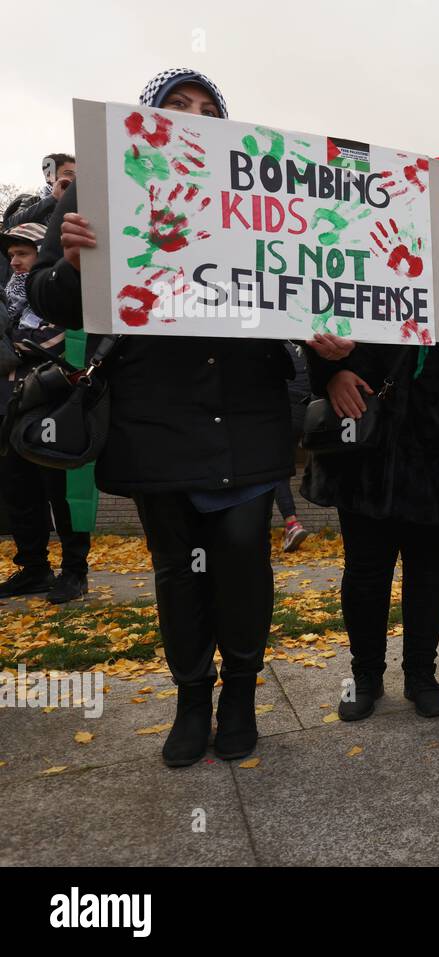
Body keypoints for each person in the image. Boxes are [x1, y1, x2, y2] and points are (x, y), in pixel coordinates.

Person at [26, 67, 294, 768]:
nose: (195, 115)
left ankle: (239, 695)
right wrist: (80, 262)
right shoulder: (103, 184)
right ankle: (190, 697)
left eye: (209, 108)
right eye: (179, 105)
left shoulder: (256, 192)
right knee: (177, 566)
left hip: (247, 408)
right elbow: (48, 292)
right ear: (149, 117)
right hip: (158, 414)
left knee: (243, 556)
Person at [302, 155, 439, 724]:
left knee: (429, 564)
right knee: (365, 567)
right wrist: (331, 373)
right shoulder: (365, 248)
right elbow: (323, 323)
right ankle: (365, 676)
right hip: (370, 429)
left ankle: (421, 674)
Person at [0, 222, 92, 603]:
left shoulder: (64, 295)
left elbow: (55, 341)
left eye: (23, 254)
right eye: (11, 257)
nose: (16, 263)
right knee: (19, 489)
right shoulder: (9, 301)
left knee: (63, 492)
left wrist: (17, 348)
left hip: (57, 409)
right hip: (15, 408)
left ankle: (75, 571)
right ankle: (34, 568)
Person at [275, 341, 311, 552]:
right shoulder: (307, 343)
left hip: (286, 408)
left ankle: (291, 524)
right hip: (312, 410)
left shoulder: (278, 345)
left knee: (277, 472)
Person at [6, 154, 76, 231]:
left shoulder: (80, 203)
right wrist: (52, 198)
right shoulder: (32, 201)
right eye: (68, 173)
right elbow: (11, 224)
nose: (74, 178)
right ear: (50, 176)